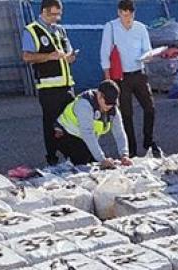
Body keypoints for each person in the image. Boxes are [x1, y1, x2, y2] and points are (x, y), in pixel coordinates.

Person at [101, 0, 160, 158]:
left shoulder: (140, 28)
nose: (126, 19)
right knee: (126, 114)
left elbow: (147, 49)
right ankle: (131, 149)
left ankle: (148, 141)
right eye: (123, 15)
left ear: (134, 14)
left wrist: (148, 57)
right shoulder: (111, 27)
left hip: (138, 73)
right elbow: (105, 52)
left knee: (150, 108)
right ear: (119, 13)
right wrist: (108, 79)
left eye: (129, 15)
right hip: (121, 77)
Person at [22, 0, 77, 166]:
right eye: (53, 14)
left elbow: (67, 52)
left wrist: (70, 57)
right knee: (51, 124)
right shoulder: (32, 30)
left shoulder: (60, 30)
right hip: (48, 87)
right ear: (44, 11)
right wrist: (48, 56)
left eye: (58, 14)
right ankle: (52, 157)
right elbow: (26, 56)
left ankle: (71, 154)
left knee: (70, 122)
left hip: (67, 85)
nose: (56, 18)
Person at [54, 80, 131, 168]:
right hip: (67, 134)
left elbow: (119, 132)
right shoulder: (84, 105)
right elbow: (87, 133)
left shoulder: (113, 109)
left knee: (95, 164)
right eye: (107, 102)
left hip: (84, 137)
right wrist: (102, 159)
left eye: (112, 104)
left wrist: (124, 155)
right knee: (82, 164)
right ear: (99, 95)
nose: (109, 107)